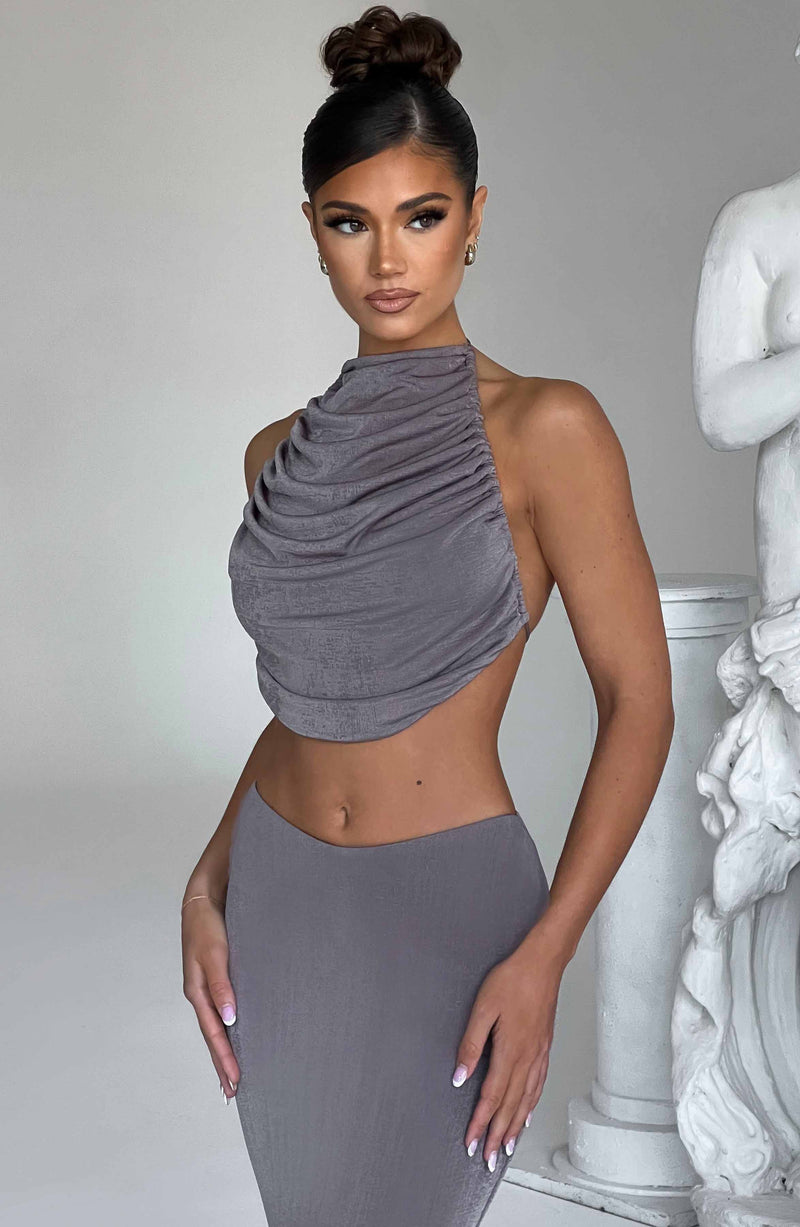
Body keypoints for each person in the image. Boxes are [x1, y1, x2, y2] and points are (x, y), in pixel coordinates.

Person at [180, 6, 674, 1224]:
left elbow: (639, 704)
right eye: (349, 222)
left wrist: (545, 953)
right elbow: (312, 703)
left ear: (474, 219)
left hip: (447, 913)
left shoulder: (548, 429)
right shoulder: (274, 455)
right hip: (280, 903)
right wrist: (207, 875)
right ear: (312, 231)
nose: (386, 260)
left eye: (421, 216)